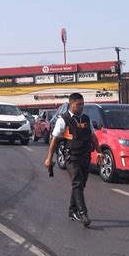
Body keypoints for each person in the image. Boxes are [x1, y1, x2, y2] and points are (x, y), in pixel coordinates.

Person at [44, 93, 103, 227]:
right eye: (79, 104)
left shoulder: (86, 118)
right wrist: (49, 158)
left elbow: (93, 137)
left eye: (83, 104)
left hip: (85, 155)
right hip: (72, 157)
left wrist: (99, 152)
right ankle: (83, 214)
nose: (82, 107)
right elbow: (54, 140)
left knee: (81, 184)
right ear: (71, 105)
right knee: (77, 183)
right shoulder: (63, 120)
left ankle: (72, 211)